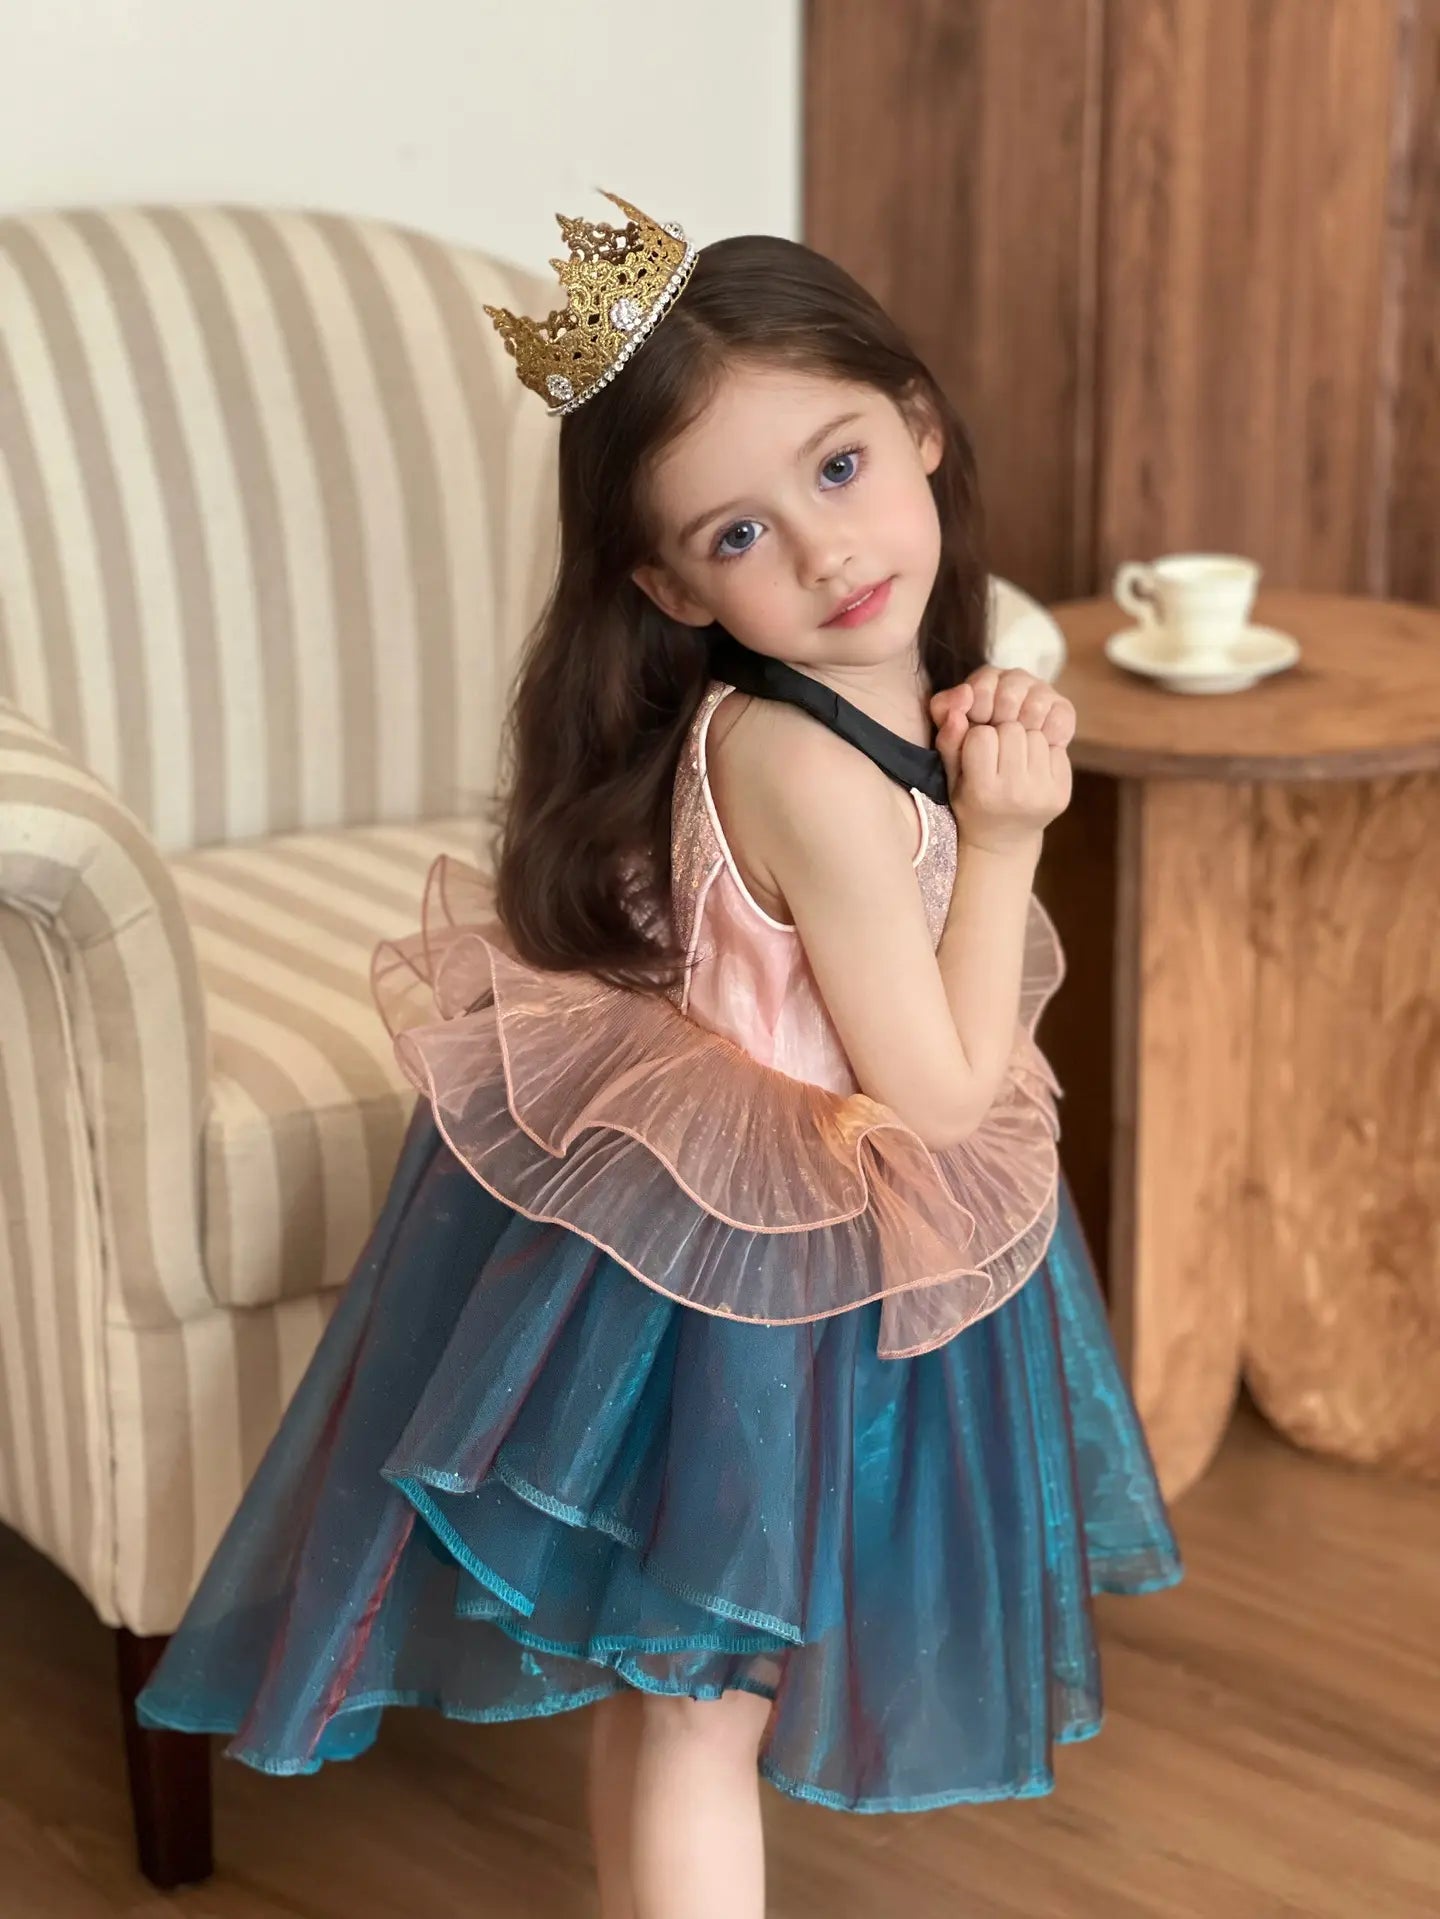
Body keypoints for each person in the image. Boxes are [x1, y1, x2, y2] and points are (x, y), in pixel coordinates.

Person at [138, 192, 1181, 1918]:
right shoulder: (815, 773)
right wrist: (1005, 844)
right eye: (741, 535)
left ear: (918, 421)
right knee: (707, 1700)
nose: (828, 553)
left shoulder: (827, 713)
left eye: (840, 469)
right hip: (757, 1296)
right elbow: (936, 1096)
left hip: (715, 1248)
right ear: (666, 583)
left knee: (674, 1695)